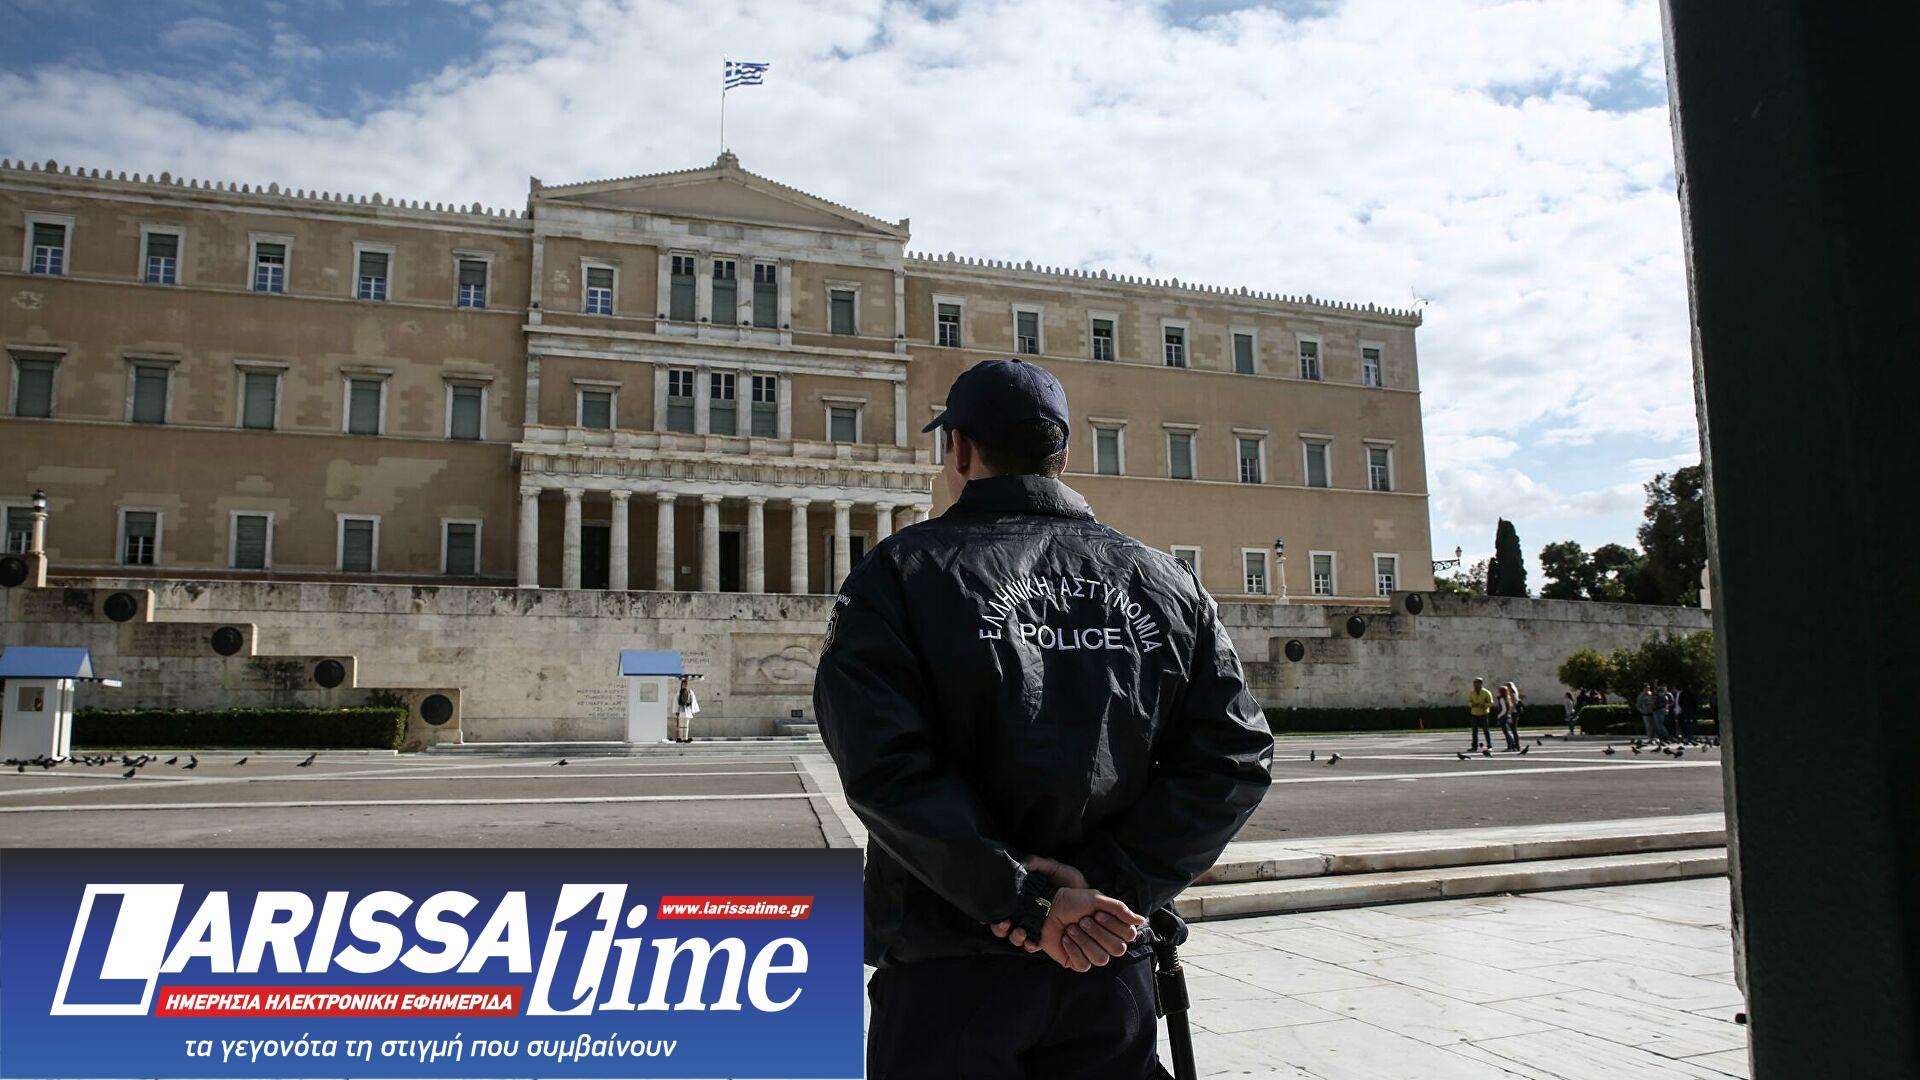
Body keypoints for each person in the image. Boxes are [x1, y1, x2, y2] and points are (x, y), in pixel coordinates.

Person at [813, 358, 1274, 1080]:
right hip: (1106, 957)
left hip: (949, 967)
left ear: (959, 449)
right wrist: (1103, 887)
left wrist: (1027, 902)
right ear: (1063, 455)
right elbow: (1234, 757)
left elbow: (885, 767)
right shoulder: (1167, 581)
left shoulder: (898, 574)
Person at [1467, 676, 1495, 750]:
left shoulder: (1486, 692)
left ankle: (1489, 746)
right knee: (1474, 732)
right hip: (1474, 714)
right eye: (1474, 683)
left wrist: (1484, 705)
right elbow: (1469, 702)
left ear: (1481, 683)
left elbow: (1491, 703)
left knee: (1486, 731)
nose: (1475, 684)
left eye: (1477, 683)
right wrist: (1472, 705)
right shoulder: (1472, 692)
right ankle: (1474, 746)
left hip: (1484, 714)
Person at [669, 675, 698, 743]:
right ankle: (681, 738)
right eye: (683, 684)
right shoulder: (679, 692)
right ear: (681, 684)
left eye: (685, 684)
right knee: (681, 725)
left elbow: (693, 701)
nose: (685, 685)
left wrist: (693, 710)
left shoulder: (690, 692)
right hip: (681, 710)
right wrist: (676, 710)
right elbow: (676, 701)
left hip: (688, 710)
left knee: (686, 725)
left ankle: (685, 738)